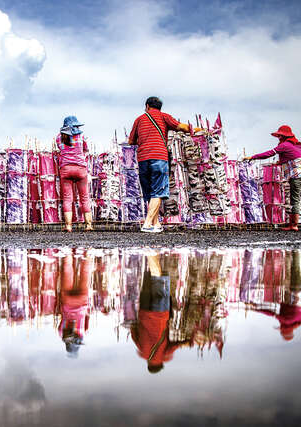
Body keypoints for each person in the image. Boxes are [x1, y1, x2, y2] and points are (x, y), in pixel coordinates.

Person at [129, 97, 201, 232]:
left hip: (143, 159)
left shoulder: (139, 120)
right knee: (158, 191)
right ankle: (147, 224)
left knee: (151, 193)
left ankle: (156, 224)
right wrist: (196, 129)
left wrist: (144, 140)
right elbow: (181, 127)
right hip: (159, 157)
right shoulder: (164, 117)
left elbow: (131, 140)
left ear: (147, 106)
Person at [243, 125, 301, 231]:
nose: (279, 138)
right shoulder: (297, 146)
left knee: (295, 200)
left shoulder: (284, 145)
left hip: (297, 176)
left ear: (284, 136)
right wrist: (280, 162)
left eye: (280, 136)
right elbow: (293, 157)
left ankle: (293, 225)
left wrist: (253, 157)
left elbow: (269, 153)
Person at [130, 251, 179, 373]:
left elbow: (175, 346)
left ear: (159, 364)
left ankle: (151, 251)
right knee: (149, 279)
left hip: (161, 314)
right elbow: (133, 332)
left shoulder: (163, 356)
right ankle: (151, 254)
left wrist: (188, 342)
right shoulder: (142, 351)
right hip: (144, 312)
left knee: (158, 280)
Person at [56, 116, 93, 232]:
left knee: (67, 199)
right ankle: (88, 225)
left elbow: (60, 150)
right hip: (80, 169)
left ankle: (68, 226)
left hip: (66, 169)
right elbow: (86, 149)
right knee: (84, 198)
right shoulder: (81, 137)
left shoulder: (59, 137)